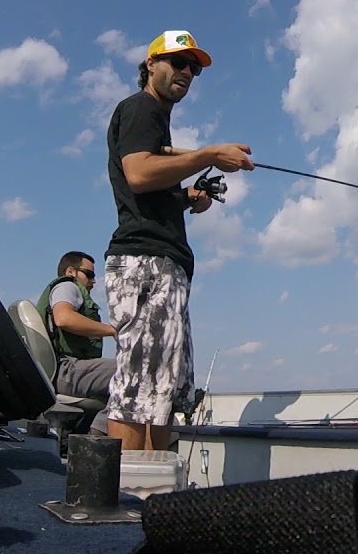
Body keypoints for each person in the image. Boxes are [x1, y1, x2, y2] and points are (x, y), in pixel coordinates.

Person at [103, 29, 254, 451]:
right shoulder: (140, 109)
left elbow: (150, 185)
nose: (186, 71)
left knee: (161, 390)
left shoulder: (158, 126)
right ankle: (124, 497)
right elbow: (138, 173)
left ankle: (148, 495)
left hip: (162, 265)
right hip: (145, 263)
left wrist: (189, 198)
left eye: (193, 67)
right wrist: (207, 155)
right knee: (137, 390)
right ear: (151, 64)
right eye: (177, 61)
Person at [36, 250, 117, 435]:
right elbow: (64, 318)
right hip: (66, 370)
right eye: (89, 274)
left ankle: (78, 437)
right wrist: (113, 330)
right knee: (136, 370)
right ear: (71, 271)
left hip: (60, 371)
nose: (93, 281)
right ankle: (95, 441)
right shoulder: (68, 286)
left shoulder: (68, 290)